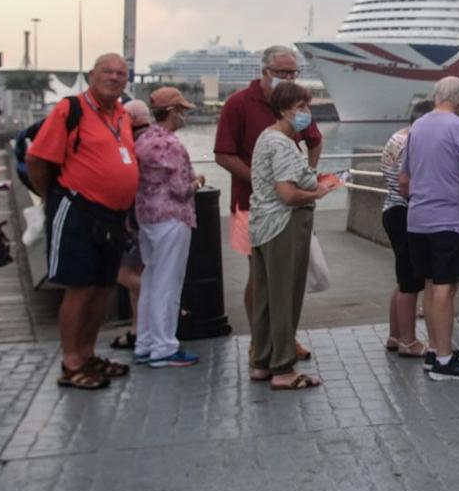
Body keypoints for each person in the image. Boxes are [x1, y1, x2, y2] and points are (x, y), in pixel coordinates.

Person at [26, 54, 141, 392]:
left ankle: (89, 355)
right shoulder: (70, 110)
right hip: (77, 210)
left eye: (121, 73)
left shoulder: (121, 115)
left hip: (114, 215)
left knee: (103, 287)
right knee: (79, 287)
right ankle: (71, 361)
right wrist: (55, 197)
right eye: (107, 71)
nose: (115, 77)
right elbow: (37, 159)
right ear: (92, 75)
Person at [215, 45, 322, 360]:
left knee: (285, 277)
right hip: (250, 204)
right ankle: (260, 341)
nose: (288, 77)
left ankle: (284, 337)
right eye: (282, 73)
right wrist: (262, 179)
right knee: (261, 276)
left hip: (288, 206)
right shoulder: (238, 104)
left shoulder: (294, 106)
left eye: (293, 72)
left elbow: (315, 140)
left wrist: (309, 174)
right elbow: (223, 153)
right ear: (264, 72)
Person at [399, 77, 459, 382]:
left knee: (429, 283)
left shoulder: (418, 127)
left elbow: (404, 182)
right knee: (446, 288)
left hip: (418, 219)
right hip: (448, 221)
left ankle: (435, 350)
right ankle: (445, 363)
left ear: (436, 97)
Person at [249, 82, 333, 389]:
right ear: (285, 110)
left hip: (262, 225)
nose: (307, 113)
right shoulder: (283, 144)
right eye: (302, 107)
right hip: (283, 226)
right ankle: (283, 369)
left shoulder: (265, 137)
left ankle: (262, 361)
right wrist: (319, 192)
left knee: (266, 297)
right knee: (285, 296)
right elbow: (287, 193)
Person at [133, 88, 201, 368]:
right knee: (168, 284)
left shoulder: (143, 139)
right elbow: (181, 189)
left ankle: (145, 342)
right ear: (172, 112)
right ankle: (164, 347)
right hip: (173, 217)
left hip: (146, 215)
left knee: (150, 279)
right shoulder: (171, 144)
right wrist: (197, 182)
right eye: (183, 110)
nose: (185, 115)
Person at [377, 99, 434, 357]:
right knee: (411, 281)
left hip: (391, 209)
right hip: (405, 212)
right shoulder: (413, 142)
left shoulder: (396, 137)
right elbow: (406, 184)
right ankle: (409, 341)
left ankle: (395, 334)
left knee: (403, 278)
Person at [107, 98, 152, 353]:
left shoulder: (130, 143)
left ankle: (163, 304)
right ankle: (139, 329)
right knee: (139, 269)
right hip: (147, 217)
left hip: (131, 216)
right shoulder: (155, 138)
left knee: (121, 272)